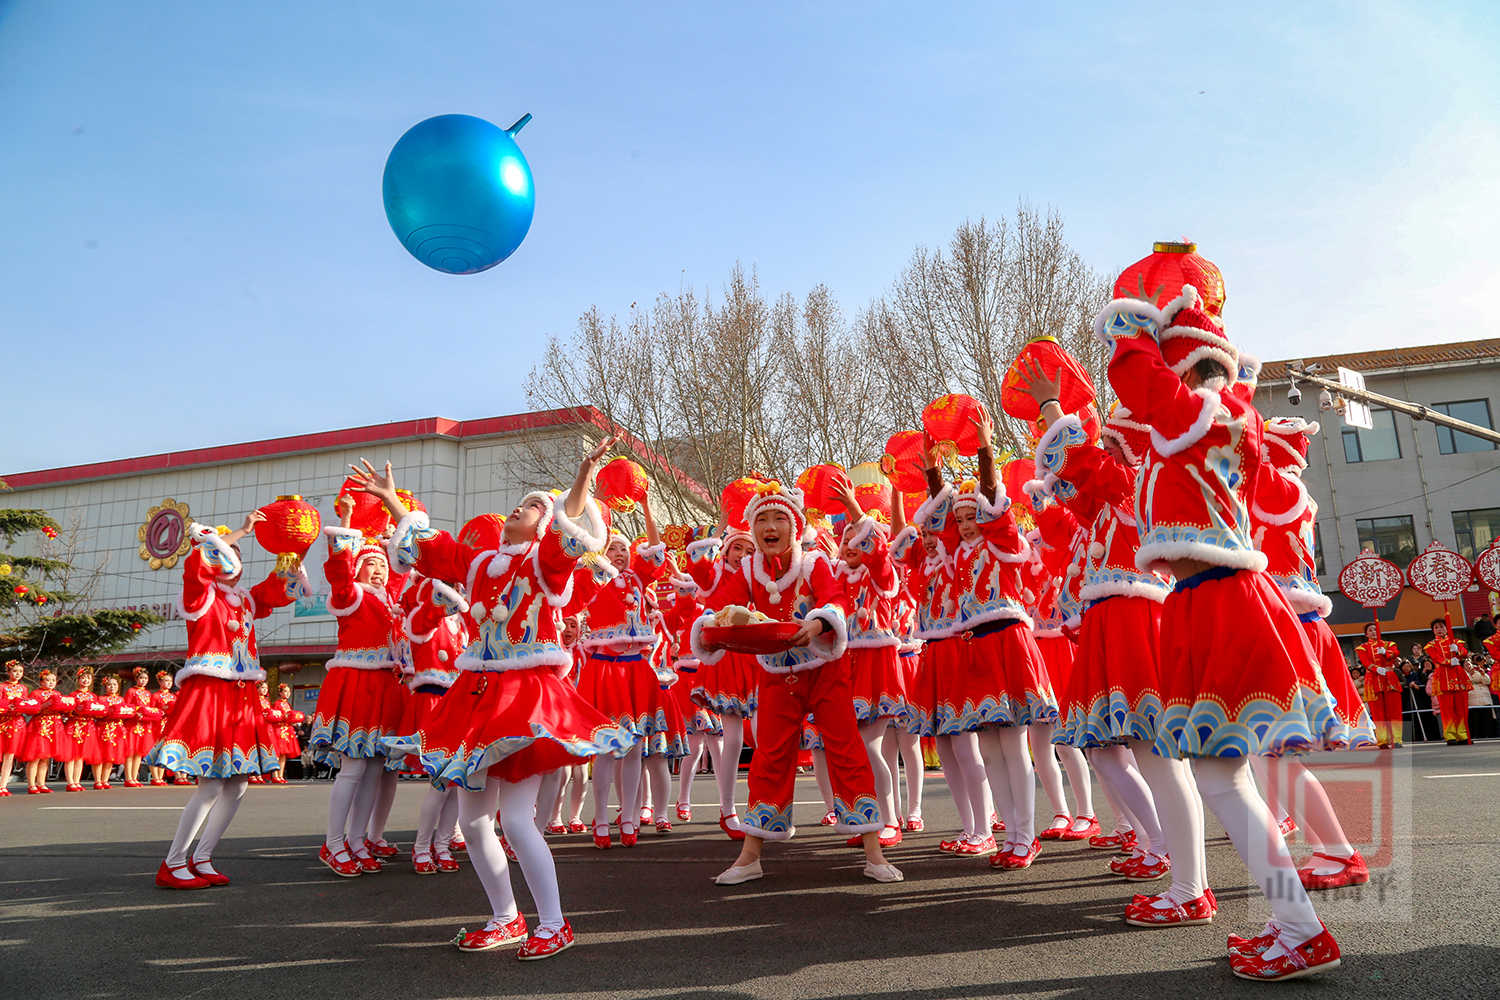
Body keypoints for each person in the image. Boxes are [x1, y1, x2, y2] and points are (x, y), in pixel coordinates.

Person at [1097, 281, 1341, 979]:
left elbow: (1137, 378)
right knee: (1223, 776)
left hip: (1220, 601)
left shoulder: (1208, 414)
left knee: (1221, 776)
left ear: (1184, 366)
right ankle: (1293, 923)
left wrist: (1135, 325)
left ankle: (1300, 928)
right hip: (1206, 599)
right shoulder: (1212, 422)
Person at [362, 440, 637, 959]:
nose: (520, 508)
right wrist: (394, 502)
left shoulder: (546, 563)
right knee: (472, 822)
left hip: (526, 697)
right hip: (476, 696)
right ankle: (506, 917)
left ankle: (553, 923)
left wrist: (583, 475)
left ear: (545, 523)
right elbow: (435, 548)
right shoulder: (478, 563)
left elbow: (568, 527)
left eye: (533, 506)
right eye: (521, 503)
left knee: (515, 819)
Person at [1018, 375, 1184, 893]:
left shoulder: (1136, 485)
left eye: (1113, 443)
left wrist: (1052, 406)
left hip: (1135, 618)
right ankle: (1155, 839)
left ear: (1132, 448)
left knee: (1151, 749)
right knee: (1102, 748)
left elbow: (1084, 464)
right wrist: (1043, 486)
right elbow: (1070, 497)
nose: (1105, 450)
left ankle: (1174, 855)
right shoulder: (1107, 504)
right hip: (1106, 622)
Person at [691, 480, 899, 886]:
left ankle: (874, 853)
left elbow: (836, 599)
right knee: (769, 756)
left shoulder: (814, 563)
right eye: (762, 520)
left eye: (779, 519)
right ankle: (750, 856)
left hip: (824, 670)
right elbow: (719, 607)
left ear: (795, 525)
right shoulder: (748, 569)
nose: (770, 527)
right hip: (774, 674)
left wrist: (819, 623)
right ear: (752, 528)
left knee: (846, 750)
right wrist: (709, 630)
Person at [916, 407, 1059, 872]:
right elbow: (937, 522)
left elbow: (997, 502)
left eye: (972, 515)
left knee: (1014, 746)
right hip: (974, 648)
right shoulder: (956, 553)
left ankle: (1026, 836)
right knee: (992, 749)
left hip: (1007, 643)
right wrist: (933, 472)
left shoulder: (1003, 543)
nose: (965, 523)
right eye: (960, 519)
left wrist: (984, 451)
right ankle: (1011, 834)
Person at [147, 516, 302, 889]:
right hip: (212, 692)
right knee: (212, 785)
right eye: (225, 552)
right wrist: (241, 532)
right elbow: (197, 566)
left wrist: (293, 551)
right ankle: (174, 862)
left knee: (238, 785)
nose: (233, 559)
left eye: (237, 553)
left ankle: (203, 856)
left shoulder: (244, 599)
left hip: (242, 696)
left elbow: (278, 590)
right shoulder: (200, 595)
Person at [308, 496, 402, 877]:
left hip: (383, 686)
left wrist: (393, 537)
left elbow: (405, 574)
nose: (378, 571)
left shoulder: (390, 603)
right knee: (354, 768)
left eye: (382, 565)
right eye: (371, 564)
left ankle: (358, 840)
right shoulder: (351, 596)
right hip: (356, 684)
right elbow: (339, 574)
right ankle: (333, 843)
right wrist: (347, 522)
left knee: (375, 769)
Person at [569, 501, 668, 849]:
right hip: (604, 671)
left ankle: (628, 817)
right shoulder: (591, 578)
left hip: (636, 670)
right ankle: (599, 818)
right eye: (613, 548)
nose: (621, 553)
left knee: (635, 748)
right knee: (606, 749)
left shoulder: (638, 578)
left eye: (625, 548)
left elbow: (654, 549)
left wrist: (647, 507)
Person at [683, 525, 761, 840]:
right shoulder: (713, 576)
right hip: (726, 660)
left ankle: (763, 804)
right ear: (725, 551)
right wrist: (718, 529)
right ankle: (728, 810)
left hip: (755, 658)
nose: (743, 555)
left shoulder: (756, 576)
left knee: (763, 736)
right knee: (732, 739)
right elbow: (697, 564)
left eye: (749, 550)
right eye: (737, 548)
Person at [18, 668, 66, 793]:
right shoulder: (36, 693)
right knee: (36, 756)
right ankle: (31, 784)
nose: (51, 682)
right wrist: (47, 704)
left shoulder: (57, 693)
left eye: (53, 680)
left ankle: (41, 783)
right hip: (39, 726)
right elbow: (32, 709)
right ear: (41, 682)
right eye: (47, 680)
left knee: (46, 757)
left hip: (54, 727)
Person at [1424, 620, 1472, 744]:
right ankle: (1450, 735)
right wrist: (1449, 661)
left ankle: (1462, 734)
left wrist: (1458, 651)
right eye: (1436, 627)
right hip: (1443, 676)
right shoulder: (1431, 645)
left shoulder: (1456, 641)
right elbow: (1436, 658)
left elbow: (1464, 653)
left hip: (1457, 675)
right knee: (1446, 708)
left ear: (1447, 628)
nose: (1439, 629)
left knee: (1461, 707)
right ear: (1433, 631)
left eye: (1441, 626)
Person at [1357, 624, 1403, 748]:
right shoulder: (1362, 648)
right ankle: (1383, 740)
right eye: (1370, 630)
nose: (1373, 632)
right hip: (1373, 680)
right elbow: (1365, 662)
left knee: (1394, 710)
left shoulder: (1389, 644)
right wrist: (1376, 669)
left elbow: (1395, 653)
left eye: (1375, 629)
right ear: (1366, 634)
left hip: (1389, 679)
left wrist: (1385, 652)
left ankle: (1397, 739)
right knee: (1378, 712)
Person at [122, 668, 157, 787]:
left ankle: (134, 778)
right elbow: (127, 706)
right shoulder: (131, 691)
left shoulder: (148, 693)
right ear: (136, 679)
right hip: (132, 725)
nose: (143, 680)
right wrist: (137, 711)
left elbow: (150, 708)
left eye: (145, 678)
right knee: (130, 752)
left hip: (144, 725)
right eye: (141, 678)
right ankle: (128, 778)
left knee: (138, 753)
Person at [0, 660, 29, 796]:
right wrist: (8, 707)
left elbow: (26, 704)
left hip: (16, 724)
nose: (18, 674)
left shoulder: (23, 688)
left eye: (20, 671)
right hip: (2, 722)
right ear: (8, 672)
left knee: (9, 755)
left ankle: (3, 785)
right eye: (15, 671)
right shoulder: (2, 687)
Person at [149, 671, 178, 786]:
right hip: (157, 724)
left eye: (170, 681)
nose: (168, 683)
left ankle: (160, 777)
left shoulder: (173, 696)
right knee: (155, 750)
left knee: (163, 751)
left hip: (169, 725)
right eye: (165, 680)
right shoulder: (155, 696)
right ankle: (155, 777)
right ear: (160, 682)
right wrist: (162, 710)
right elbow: (150, 710)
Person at [271, 683, 303, 783]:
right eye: (285, 691)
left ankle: (281, 775)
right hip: (279, 729)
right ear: (280, 693)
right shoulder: (277, 704)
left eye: (289, 691)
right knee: (278, 753)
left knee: (283, 754)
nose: (288, 693)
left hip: (287, 729)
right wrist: (285, 718)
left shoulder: (288, 704)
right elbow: (275, 716)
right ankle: (275, 775)